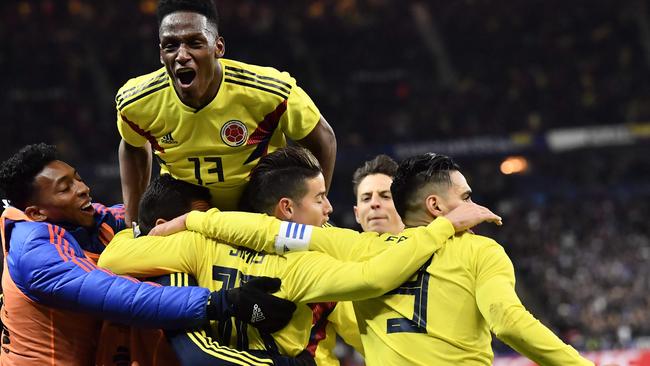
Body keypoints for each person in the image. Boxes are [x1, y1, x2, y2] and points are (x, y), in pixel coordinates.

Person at [157, 153, 594, 365]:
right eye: (466, 198)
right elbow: (510, 323)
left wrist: (197, 222)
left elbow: (270, 231)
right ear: (439, 208)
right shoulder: (482, 251)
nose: (473, 206)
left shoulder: (350, 246)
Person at [98, 149, 501, 362]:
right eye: (322, 199)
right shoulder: (307, 263)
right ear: (287, 210)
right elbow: (374, 287)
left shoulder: (200, 242)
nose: (329, 210)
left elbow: (113, 259)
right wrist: (441, 229)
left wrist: (179, 224)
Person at [0, 143, 295, 366]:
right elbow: (117, 296)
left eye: (77, 178)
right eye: (66, 188)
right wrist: (220, 302)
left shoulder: (87, 221)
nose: (83, 189)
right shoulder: (34, 253)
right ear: (35, 213)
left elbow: (142, 216)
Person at [116, 0, 336, 225]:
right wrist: (132, 218)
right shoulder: (136, 102)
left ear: (218, 47)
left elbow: (323, 139)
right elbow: (132, 145)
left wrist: (316, 207)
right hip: (186, 213)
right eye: (171, 46)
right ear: (161, 54)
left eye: (194, 43)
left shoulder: (270, 92)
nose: (182, 55)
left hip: (260, 211)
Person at [351, 154, 403, 234]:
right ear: (357, 214)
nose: (374, 203)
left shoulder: (426, 245)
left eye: (385, 196)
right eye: (366, 198)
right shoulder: (343, 245)